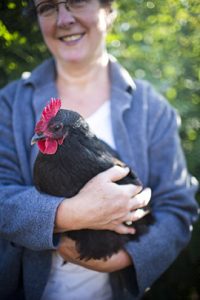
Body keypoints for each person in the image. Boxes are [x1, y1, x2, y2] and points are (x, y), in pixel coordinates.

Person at [0, 0, 199, 299]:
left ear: (108, 8)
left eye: (77, 1)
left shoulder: (153, 109)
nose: (64, 18)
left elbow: (178, 206)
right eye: (48, 7)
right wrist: (68, 215)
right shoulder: (8, 104)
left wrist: (121, 260)